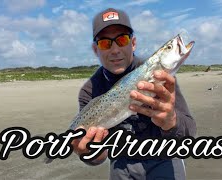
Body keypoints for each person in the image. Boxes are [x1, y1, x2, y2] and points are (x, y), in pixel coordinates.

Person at [71, 8, 196, 180]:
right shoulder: (90, 90)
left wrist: (172, 121)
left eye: (121, 40)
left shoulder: (161, 78)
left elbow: (188, 133)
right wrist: (87, 150)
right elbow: (99, 157)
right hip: (121, 161)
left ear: (133, 43)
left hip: (164, 156)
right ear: (95, 49)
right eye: (105, 43)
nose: (115, 50)